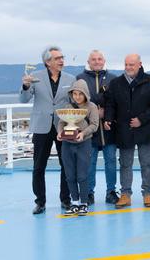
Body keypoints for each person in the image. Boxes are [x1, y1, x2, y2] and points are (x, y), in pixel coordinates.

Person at [21, 45, 74, 215]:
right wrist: (25, 86)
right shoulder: (34, 77)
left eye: (62, 57)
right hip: (41, 127)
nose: (61, 61)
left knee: (66, 165)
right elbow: (23, 100)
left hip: (62, 126)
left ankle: (66, 200)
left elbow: (75, 101)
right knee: (38, 167)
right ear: (48, 62)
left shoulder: (70, 78)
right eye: (58, 58)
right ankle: (40, 202)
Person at [105, 54, 150, 209]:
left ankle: (148, 193)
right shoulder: (116, 83)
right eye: (126, 64)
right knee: (125, 164)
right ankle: (125, 194)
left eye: (132, 64)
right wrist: (108, 119)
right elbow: (110, 103)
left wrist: (141, 119)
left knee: (146, 164)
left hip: (144, 128)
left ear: (139, 64)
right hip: (123, 129)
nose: (128, 67)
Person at [76, 50, 119, 205]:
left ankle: (111, 192)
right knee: (89, 162)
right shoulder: (80, 79)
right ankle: (89, 193)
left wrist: (106, 113)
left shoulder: (113, 79)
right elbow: (78, 102)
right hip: (89, 128)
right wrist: (95, 112)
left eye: (99, 59)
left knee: (111, 161)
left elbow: (115, 102)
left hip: (108, 129)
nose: (96, 61)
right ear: (89, 61)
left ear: (104, 60)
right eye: (93, 59)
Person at [58, 80, 99, 216]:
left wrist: (83, 133)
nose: (77, 97)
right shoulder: (68, 106)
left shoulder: (91, 107)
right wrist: (60, 133)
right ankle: (74, 202)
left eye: (80, 94)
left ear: (85, 94)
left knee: (82, 175)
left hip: (84, 144)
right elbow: (61, 122)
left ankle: (84, 203)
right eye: (74, 94)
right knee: (69, 175)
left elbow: (94, 125)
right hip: (67, 144)